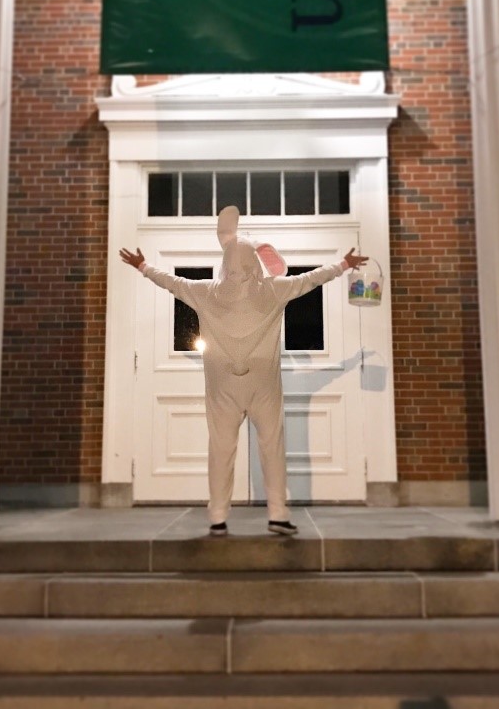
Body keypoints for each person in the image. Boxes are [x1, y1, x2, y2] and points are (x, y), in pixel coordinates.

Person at [120, 206, 367, 536]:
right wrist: (344, 265)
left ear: (226, 263)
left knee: (221, 451)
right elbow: (311, 280)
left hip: (223, 388)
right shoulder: (273, 290)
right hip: (263, 385)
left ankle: (218, 518)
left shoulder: (207, 292)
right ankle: (278, 514)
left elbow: (172, 283)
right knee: (273, 447)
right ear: (257, 262)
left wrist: (143, 266)